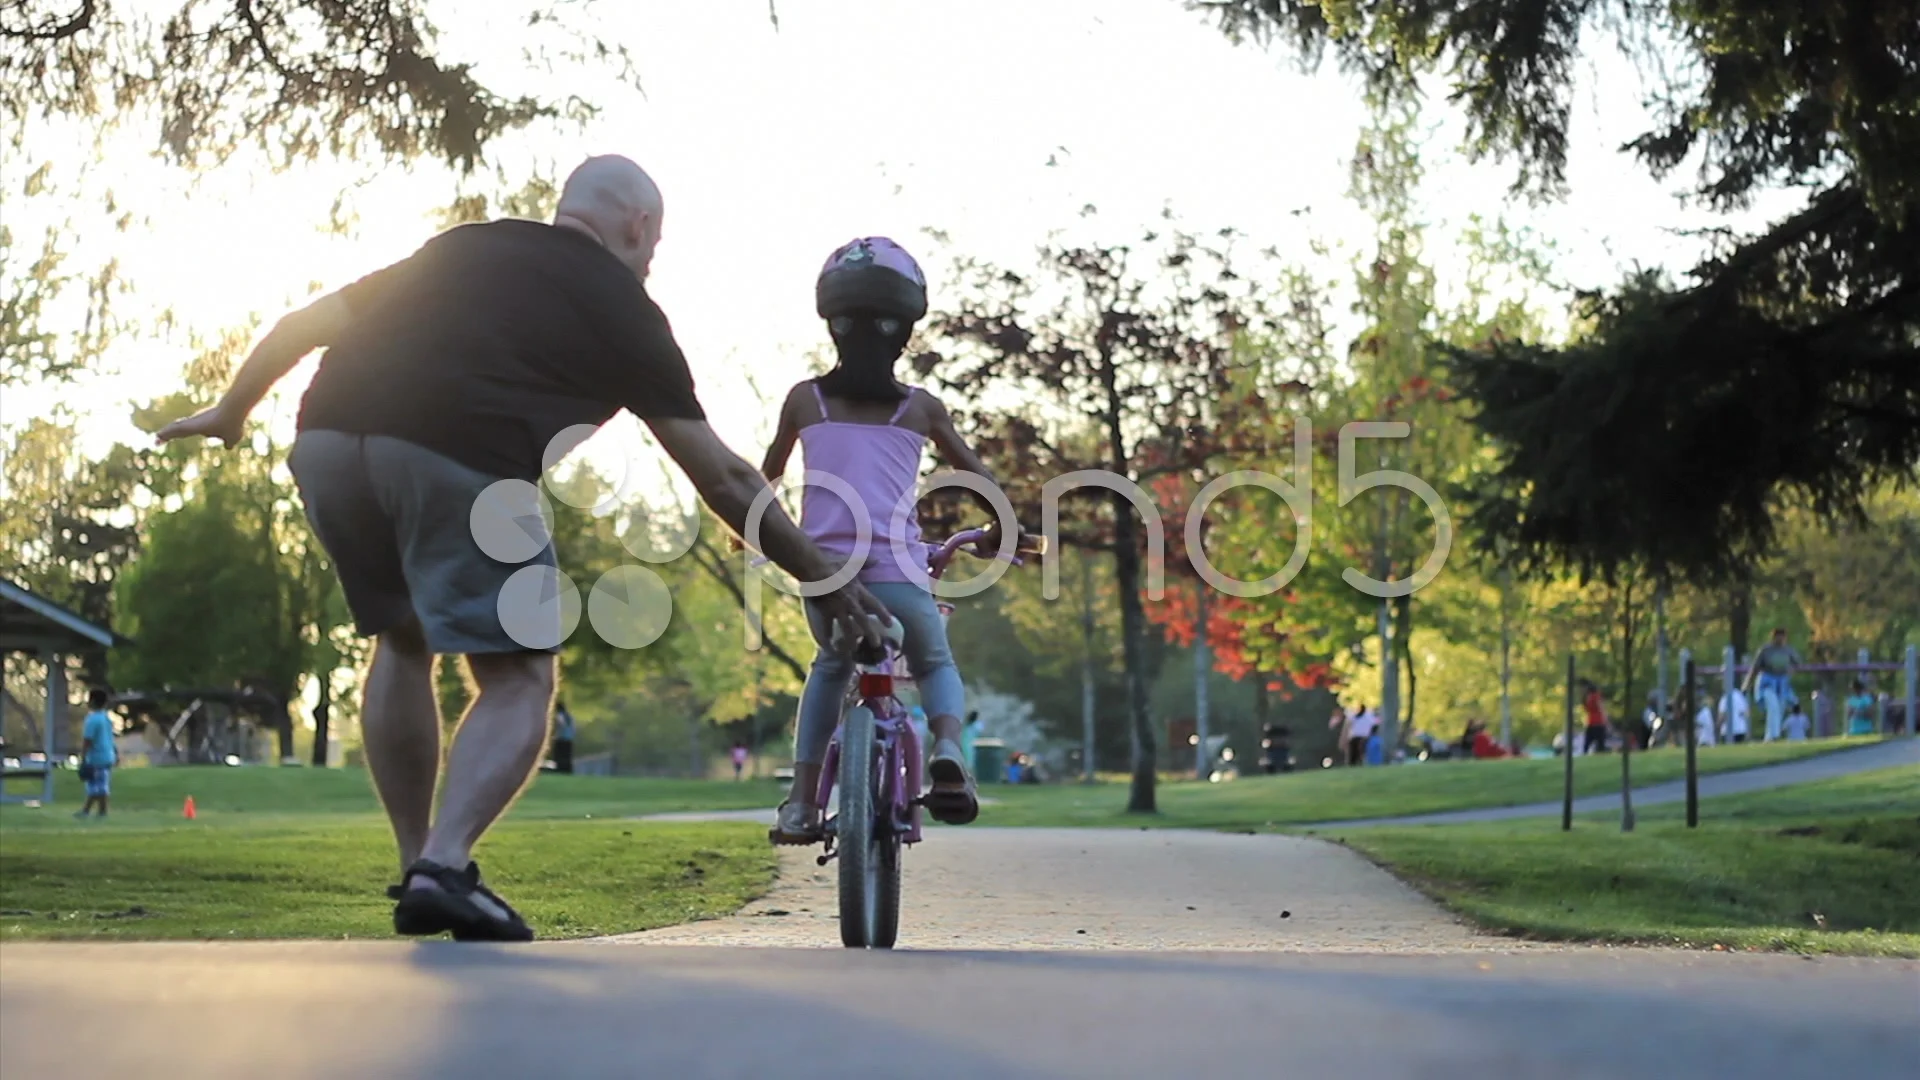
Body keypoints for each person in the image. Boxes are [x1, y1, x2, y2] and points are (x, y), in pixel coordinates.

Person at [155, 155, 892, 943]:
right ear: (638, 228)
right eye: (655, 245)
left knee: (402, 640)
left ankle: (419, 870)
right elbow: (721, 475)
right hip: (457, 457)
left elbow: (303, 326)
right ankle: (443, 868)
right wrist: (821, 575)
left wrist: (232, 410)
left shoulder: (460, 247)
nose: (650, 261)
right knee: (519, 676)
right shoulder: (624, 308)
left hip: (327, 441)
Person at [758, 237, 1017, 844]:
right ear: (904, 332)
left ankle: (800, 802)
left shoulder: (805, 400)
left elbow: (764, 478)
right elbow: (983, 483)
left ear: (835, 327)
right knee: (932, 661)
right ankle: (948, 747)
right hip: (899, 577)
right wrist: (1006, 530)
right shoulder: (920, 411)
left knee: (828, 666)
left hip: (825, 577)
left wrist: (760, 528)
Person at [74, 688, 117, 819]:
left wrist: (82, 756)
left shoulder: (92, 720)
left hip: (96, 756)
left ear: (91, 701)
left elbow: (88, 740)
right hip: (107, 755)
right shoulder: (106, 718)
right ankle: (97, 811)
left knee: (95, 786)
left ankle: (95, 811)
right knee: (101, 784)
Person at [1581, 680, 1610, 754]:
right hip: (1591, 722)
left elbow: (1601, 707)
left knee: (1599, 743)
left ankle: (1600, 754)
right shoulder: (1587, 697)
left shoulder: (1595, 696)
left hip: (1598, 722)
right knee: (1588, 743)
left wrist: (1605, 719)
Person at [551, 699, 576, 775]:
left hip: (561, 738)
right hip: (569, 738)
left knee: (560, 755)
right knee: (567, 755)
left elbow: (561, 725)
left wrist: (555, 734)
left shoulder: (560, 715)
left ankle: (560, 769)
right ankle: (567, 770)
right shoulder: (569, 716)